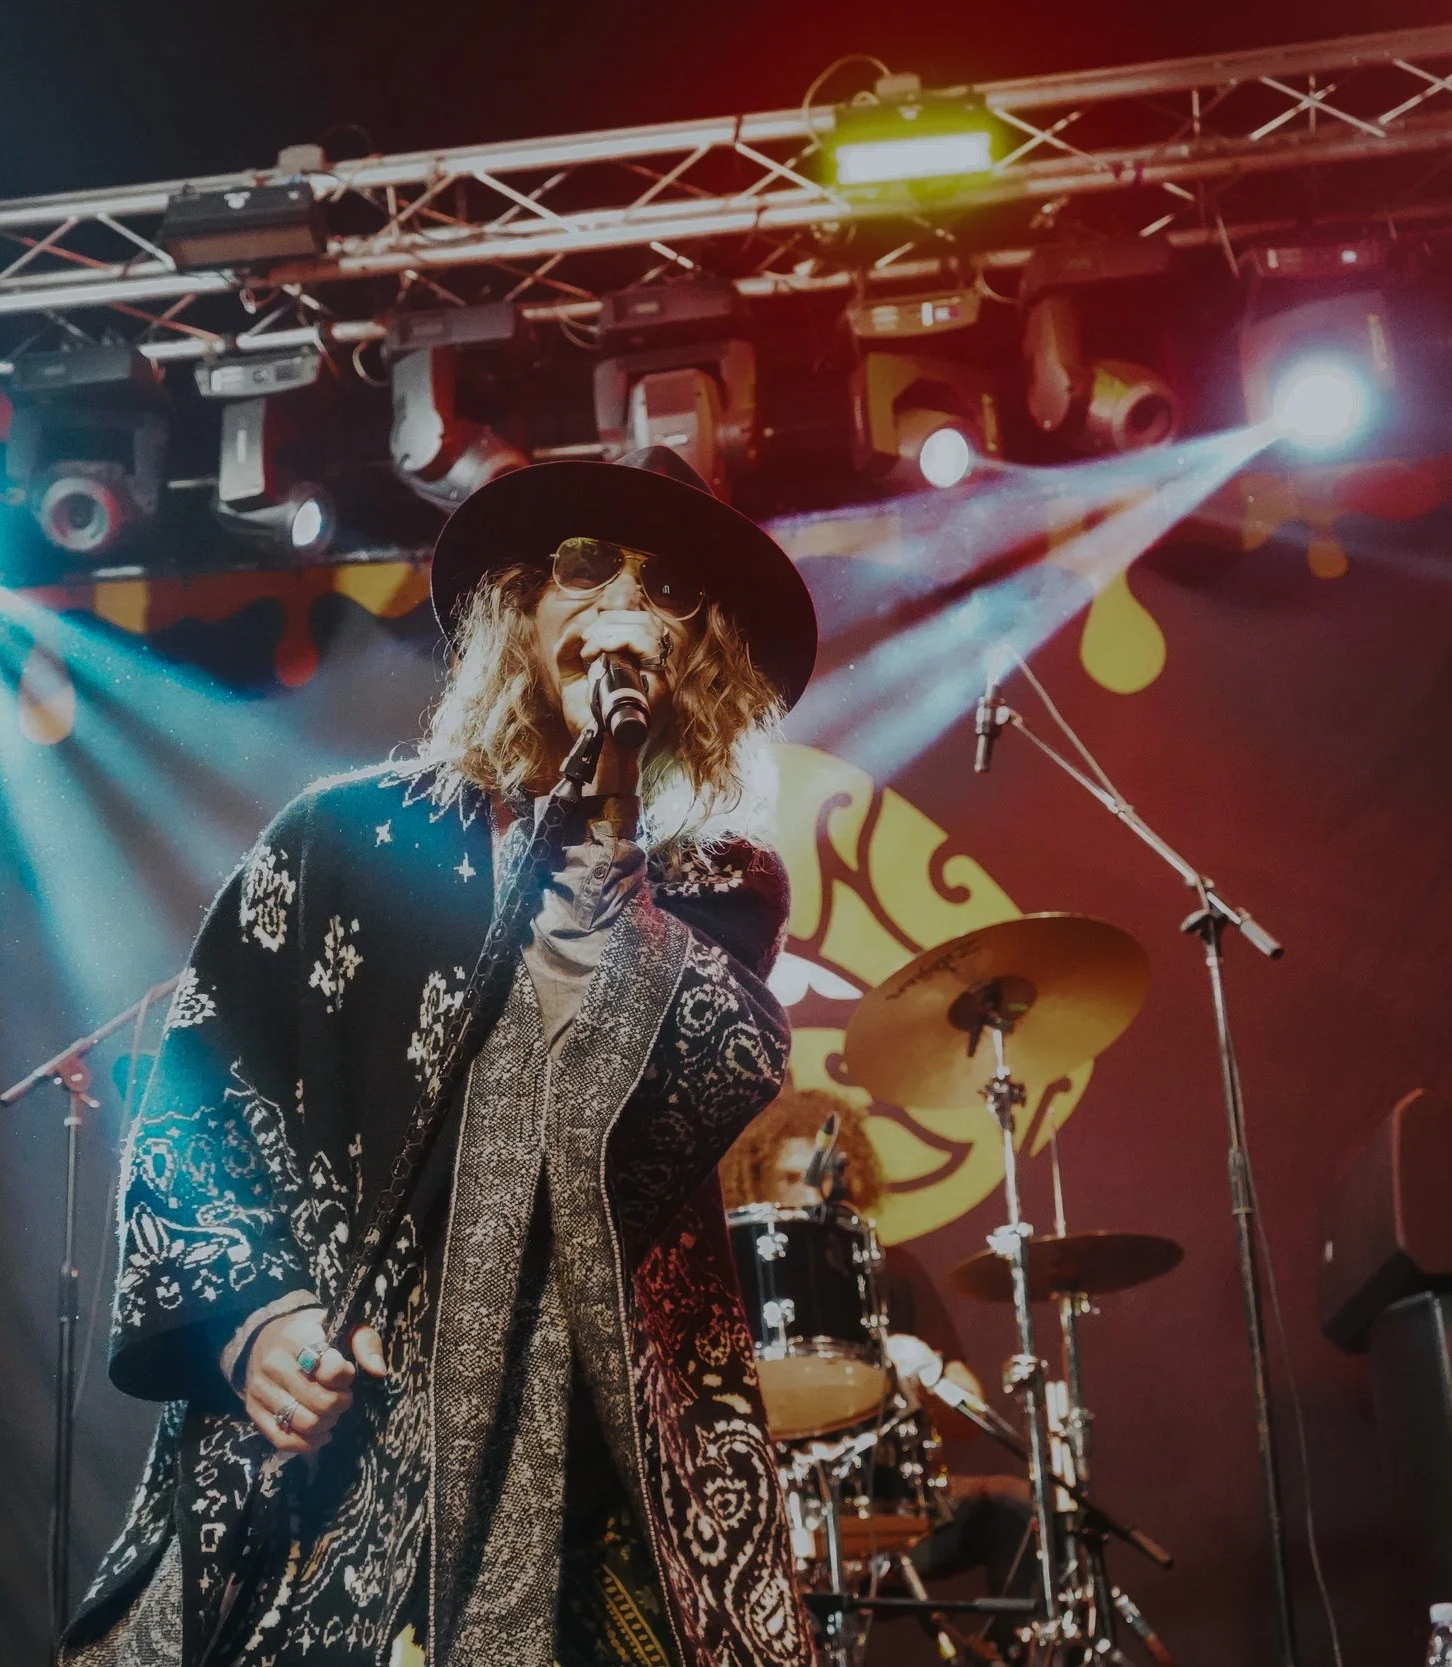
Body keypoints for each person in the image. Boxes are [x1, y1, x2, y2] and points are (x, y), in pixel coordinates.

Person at [64, 446, 823, 1667]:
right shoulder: (343, 835)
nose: (625, 604)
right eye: (586, 565)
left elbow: (675, 1095)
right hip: (343, 1450)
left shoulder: (715, 884)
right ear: (521, 605)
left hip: (599, 1458)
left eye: (670, 588)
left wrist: (610, 820)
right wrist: (256, 1321)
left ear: (705, 654)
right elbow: (196, 1101)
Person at [719, 1089, 1038, 1598]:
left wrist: (923, 1368)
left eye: (823, 1176)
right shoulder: (727, 1281)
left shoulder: (889, 1268)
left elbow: (968, 1413)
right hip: (768, 1515)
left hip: (887, 1513)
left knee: (1013, 1508)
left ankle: (1014, 1645)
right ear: (753, 1179)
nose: (812, 1195)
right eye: (790, 1178)